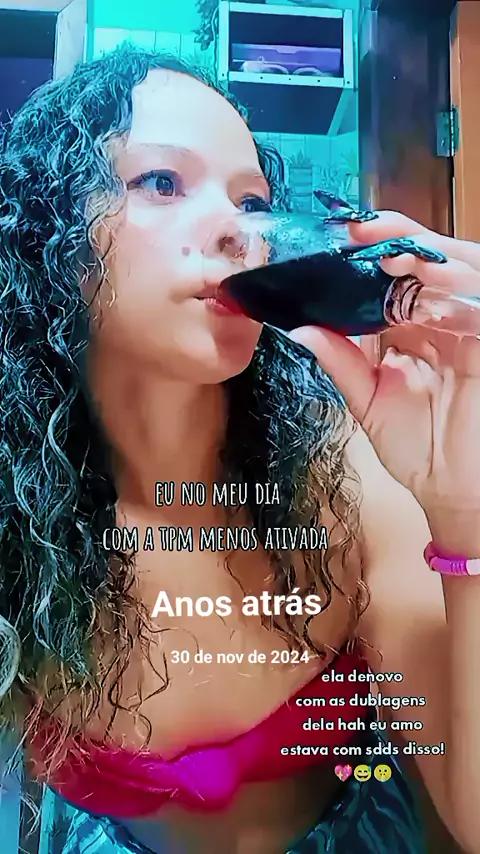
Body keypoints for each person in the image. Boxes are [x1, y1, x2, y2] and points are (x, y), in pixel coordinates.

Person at [0, 42, 479, 854]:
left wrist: (466, 515)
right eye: (162, 182)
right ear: (55, 232)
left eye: (252, 199)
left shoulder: (344, 480)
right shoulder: (18, 519)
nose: (238, 231)